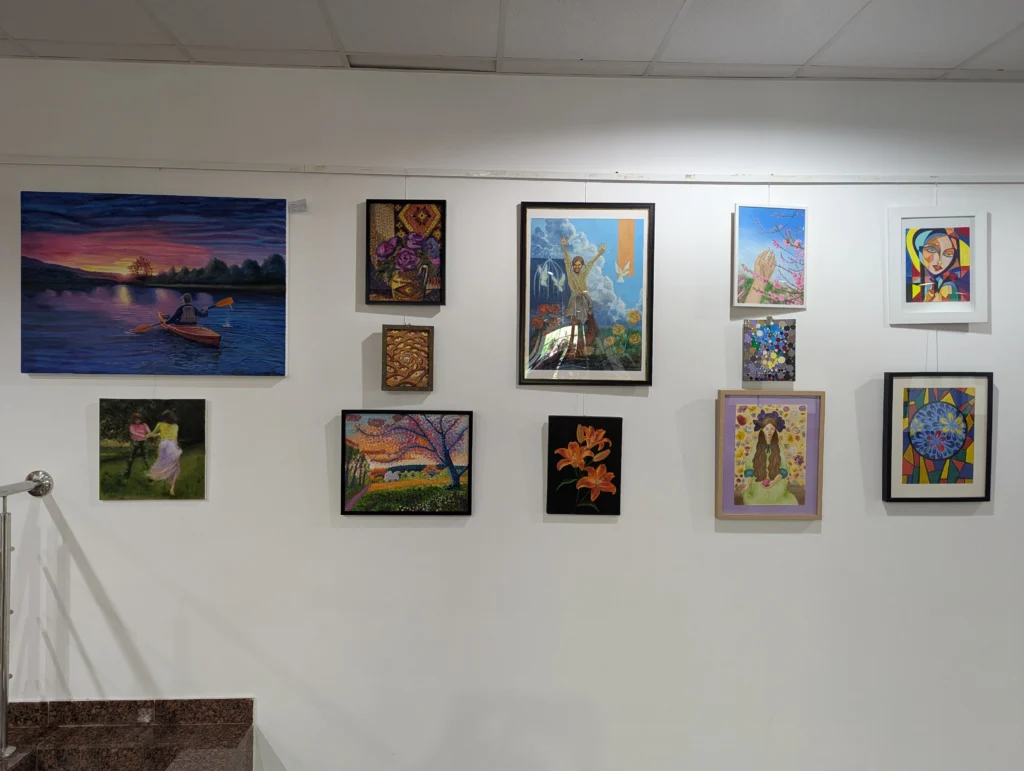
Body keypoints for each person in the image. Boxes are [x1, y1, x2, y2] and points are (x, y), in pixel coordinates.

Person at [738, 411, 798, 506]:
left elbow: (784, 469)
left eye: (772, 429)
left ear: (775, 430)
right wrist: (747, 485)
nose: (769, 432)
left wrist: (774, 482)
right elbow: (750, 468)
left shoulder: (779, 447)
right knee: (755, 499)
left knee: (782, 499)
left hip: (776, 481)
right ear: (762, 430)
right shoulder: (755, 447)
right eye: (766, 429)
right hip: (758, 481)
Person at [561, 236, 606, 358]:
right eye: (575, 265)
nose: (577, 267)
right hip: (575, 301)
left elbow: (590, 263)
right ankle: (572, 348)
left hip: (585, 300)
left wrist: (600, 253)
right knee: (574, 323)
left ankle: (584, 345)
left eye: (579, 265)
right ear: (573, 265)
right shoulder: (570, 273)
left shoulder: (583, 273)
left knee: (591, 324)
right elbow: (567, 260)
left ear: (582, 266)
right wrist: (564, 247)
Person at [910, 228, 969, 302]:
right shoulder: (927, 286)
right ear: (920, 251)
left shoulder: (949, 288)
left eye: (948, 254)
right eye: (931, 250)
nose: (939, 261)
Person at [147, 410, 183, 496]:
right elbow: (171, 434)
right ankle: (172, 489)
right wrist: (159, 434)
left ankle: (153, 475)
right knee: (175, 467)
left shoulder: (160, 424)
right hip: (172, 446)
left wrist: (146, 436)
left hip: (163, 445)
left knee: (161, 462)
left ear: (165, 418)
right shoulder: (176, 426)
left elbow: (153, 433)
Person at [123, 412, 151, 481]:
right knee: (131, 459)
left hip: (144, 442)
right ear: (134, 420)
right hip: (135, 442)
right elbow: (133, 432)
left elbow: (149, 432)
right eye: (136, 420)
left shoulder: (144, 425)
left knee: (146, 459)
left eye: (139, 420)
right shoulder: (132, 426)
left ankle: (150, 477)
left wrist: (150, 434)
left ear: (141, 419)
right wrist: (142, 435)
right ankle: (126, 475)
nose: (138, 421)